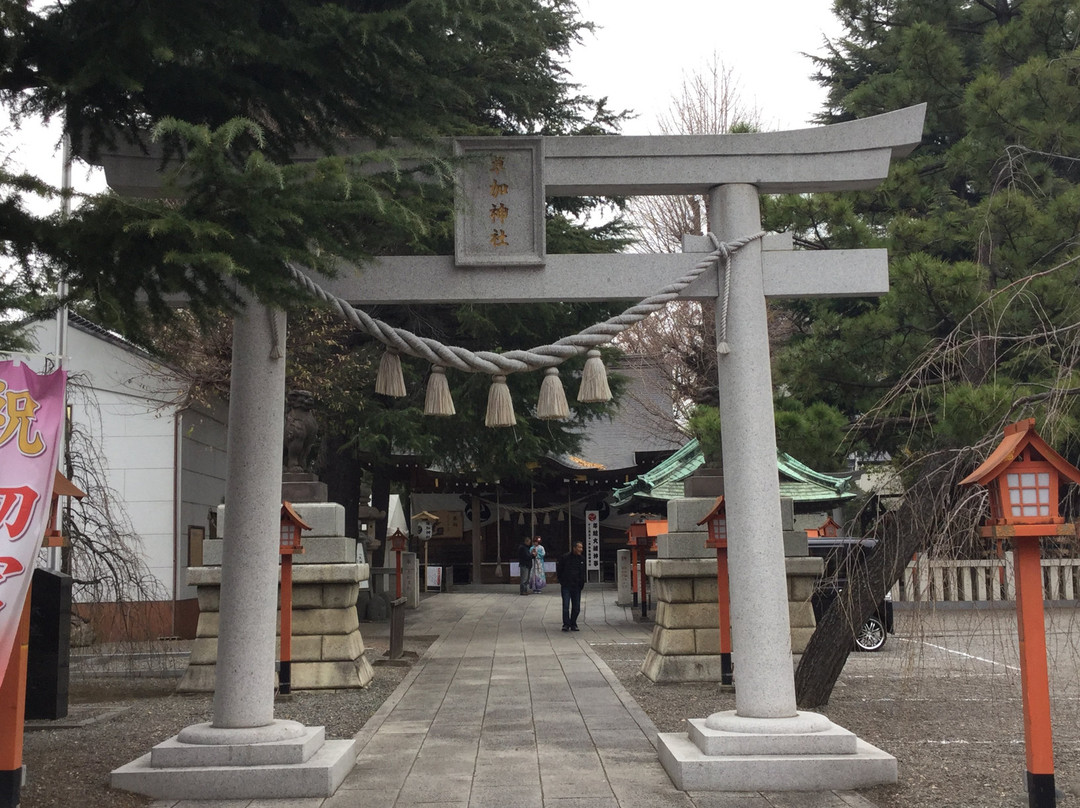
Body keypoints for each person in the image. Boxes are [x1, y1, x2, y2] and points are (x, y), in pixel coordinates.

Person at [557, 541, 586, 631]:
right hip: (566, 585)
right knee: (566, 606)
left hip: (577, 586)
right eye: (579, 547)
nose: (581, 549)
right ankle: (566, 624)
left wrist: (582, 583)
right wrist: (562, 581)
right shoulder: (565, 557)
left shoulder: (582, 559)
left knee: (576, 607)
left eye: (581, 547)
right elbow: (559, 570)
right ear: (574, 548)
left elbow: (583, 572)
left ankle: (573, 623)